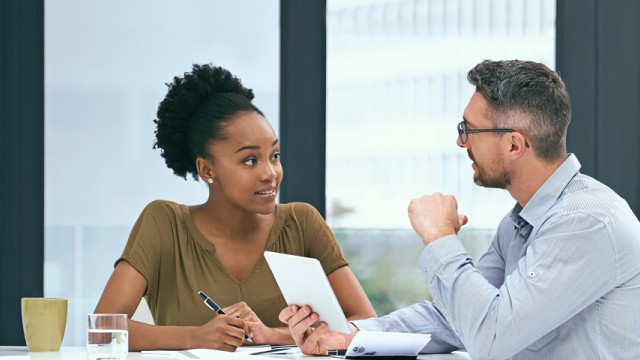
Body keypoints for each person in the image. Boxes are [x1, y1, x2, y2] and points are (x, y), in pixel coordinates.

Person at [280, 60, 640, 359]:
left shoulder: (585, 222)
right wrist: (352, 334)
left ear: (515, 144)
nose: (460, 141)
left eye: (468, 129)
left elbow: (492, 338)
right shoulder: (521, 221)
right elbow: (457, 317)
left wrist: (440, 237)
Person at [94, 63, 376, 351]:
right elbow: (103, 328)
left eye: (274, 156)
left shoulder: (302, 223)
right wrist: (197, 336)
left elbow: (367, 322)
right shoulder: (165, 223)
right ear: (206, 169)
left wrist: (271, 333)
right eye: (250, 160)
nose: (271, 173)